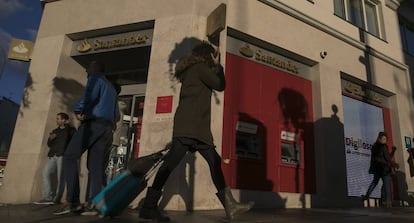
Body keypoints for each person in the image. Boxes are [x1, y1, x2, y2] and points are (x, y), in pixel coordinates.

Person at [139, 42, 254, 222]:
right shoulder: (200, 68)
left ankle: (230, 206)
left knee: (212, 161)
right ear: (208, 56)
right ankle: (148, 206)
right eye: (213, 56)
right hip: (191, 126)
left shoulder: (191, 70)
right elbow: (220, 85)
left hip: (194, 126)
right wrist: (217, 66)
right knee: (170, 164)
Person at [53, 61, 120, 215]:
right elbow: (116, 115)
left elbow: (89, 96)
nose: (86, 70)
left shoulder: (95, 78)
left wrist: (78, 110)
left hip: (93, 125)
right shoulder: (111, 88)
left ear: (96, 69)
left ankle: (73, 201)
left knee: (70, 156)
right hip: (106, 128)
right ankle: (94, 205)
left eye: (88, 68)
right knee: (95, 166)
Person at [34, 112, 75, 205]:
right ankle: (47, 197)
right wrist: (51, 139)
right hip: (52, 155)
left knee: (61, 178)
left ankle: (57, 199)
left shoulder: (70, 130)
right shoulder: (55, 131)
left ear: (64, 120)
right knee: (45, 173)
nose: (57, 120)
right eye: (57, 119)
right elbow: (49, 144)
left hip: (62, 155)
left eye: (58, 118)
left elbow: (74, 142)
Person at [362, 131, 397, 207]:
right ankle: (388, 202)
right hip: (384, 169)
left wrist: (393, 152)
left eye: (385, 139)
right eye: (383, 139)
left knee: (374, 183)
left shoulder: (374, 146)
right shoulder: (384, 147)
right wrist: (394, 164)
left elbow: (379, 158)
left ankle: (366, 196)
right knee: (387, 186)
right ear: (380, 139)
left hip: (377, 169)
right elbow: (388, 158)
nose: (385, 140)